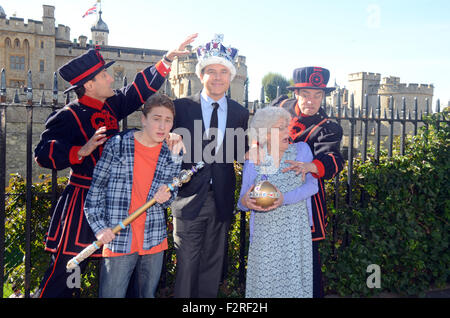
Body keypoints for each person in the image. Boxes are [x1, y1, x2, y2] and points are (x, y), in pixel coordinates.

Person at [34, 34, 197, 298]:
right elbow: (43, 154)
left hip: (121, 203)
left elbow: (136, 92)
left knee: (126, 275)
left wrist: (166, 59)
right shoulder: (69, 115)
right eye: (104, 76)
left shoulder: (110, 105)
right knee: (68, 273)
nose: (111, 78)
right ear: (89, 84)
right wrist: (81, 150)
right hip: (83, 204)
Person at [170, 34, 249, 298]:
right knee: (187, 265)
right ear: (200, 75)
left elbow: (240, 151)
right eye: (211, 71)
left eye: (223, 72)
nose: (217, 77)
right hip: (188, 198)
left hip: (222, 198)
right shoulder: (180, 108)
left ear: (231, 77)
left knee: (213, 265)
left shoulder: (239, 112)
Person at [84, 94, 182, 298]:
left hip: (153, 239)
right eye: (156, 119)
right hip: (119, 237)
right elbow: (95, 192)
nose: (162, 126)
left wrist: (167, 195)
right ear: (143, 120)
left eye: (168, 120)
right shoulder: (117, 145)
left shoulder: (171, 151)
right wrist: (100, 228)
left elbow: (171, 196)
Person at [270, 66, 344, 298]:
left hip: (305, 203)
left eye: (317, 95)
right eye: (306, 94)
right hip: (271, 195)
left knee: (305, 261)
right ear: (296, 94)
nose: (311, 101)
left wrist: (312, 166)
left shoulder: (328, 127)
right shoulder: (278, 107)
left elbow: (333, 158)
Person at [238, 106, 318, 298]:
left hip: (295, 231)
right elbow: (241, 201)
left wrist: (283, 199)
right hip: (265, 235)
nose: (287, 132)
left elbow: (312, 187)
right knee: (266, 286)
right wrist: (248, 202)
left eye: (287, 127)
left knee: (293, 285)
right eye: (280, 128)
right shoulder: (255, 159)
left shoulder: (301, 151)